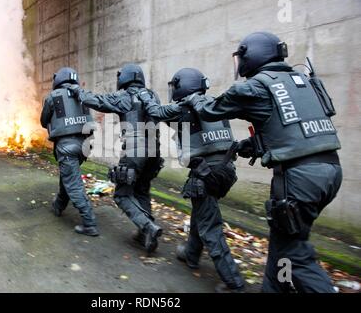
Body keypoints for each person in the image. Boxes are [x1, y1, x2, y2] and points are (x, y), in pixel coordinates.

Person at [187, 32, 342, 293]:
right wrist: (254, 145)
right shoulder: (301, 80)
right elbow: (292, 126)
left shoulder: (254, 86)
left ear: (250, 55)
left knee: (297, 256)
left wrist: (193, 97)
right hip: (330, 171)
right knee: (283, 245)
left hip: (298, 180)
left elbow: (209, 109)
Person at [139, 67, 245, 293]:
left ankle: (234, 282)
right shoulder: (216, 103)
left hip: (205, 174)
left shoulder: (182, 108)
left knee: (211, 228)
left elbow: (155, 112)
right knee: (202, 212)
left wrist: (145, 94)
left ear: (182, 85)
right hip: (226, 171)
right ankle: (191, 254)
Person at [70, 64, 164, 254]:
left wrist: (77, 90)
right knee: (142, 191)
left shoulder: (125, 97)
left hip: (135, 151)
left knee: (122, 195)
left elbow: (96, 100)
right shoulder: (152, 96)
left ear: (125, 78)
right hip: (155, 151)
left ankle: (148, 227)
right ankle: (143, 234)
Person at [40, 67, 99, 237]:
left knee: (73, 183)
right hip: (85, 145)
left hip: (67, 146)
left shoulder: (53, 96)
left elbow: (44, 121)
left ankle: (89, 223)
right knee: (68, 175)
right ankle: (58, 205)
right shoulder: (82, 94)